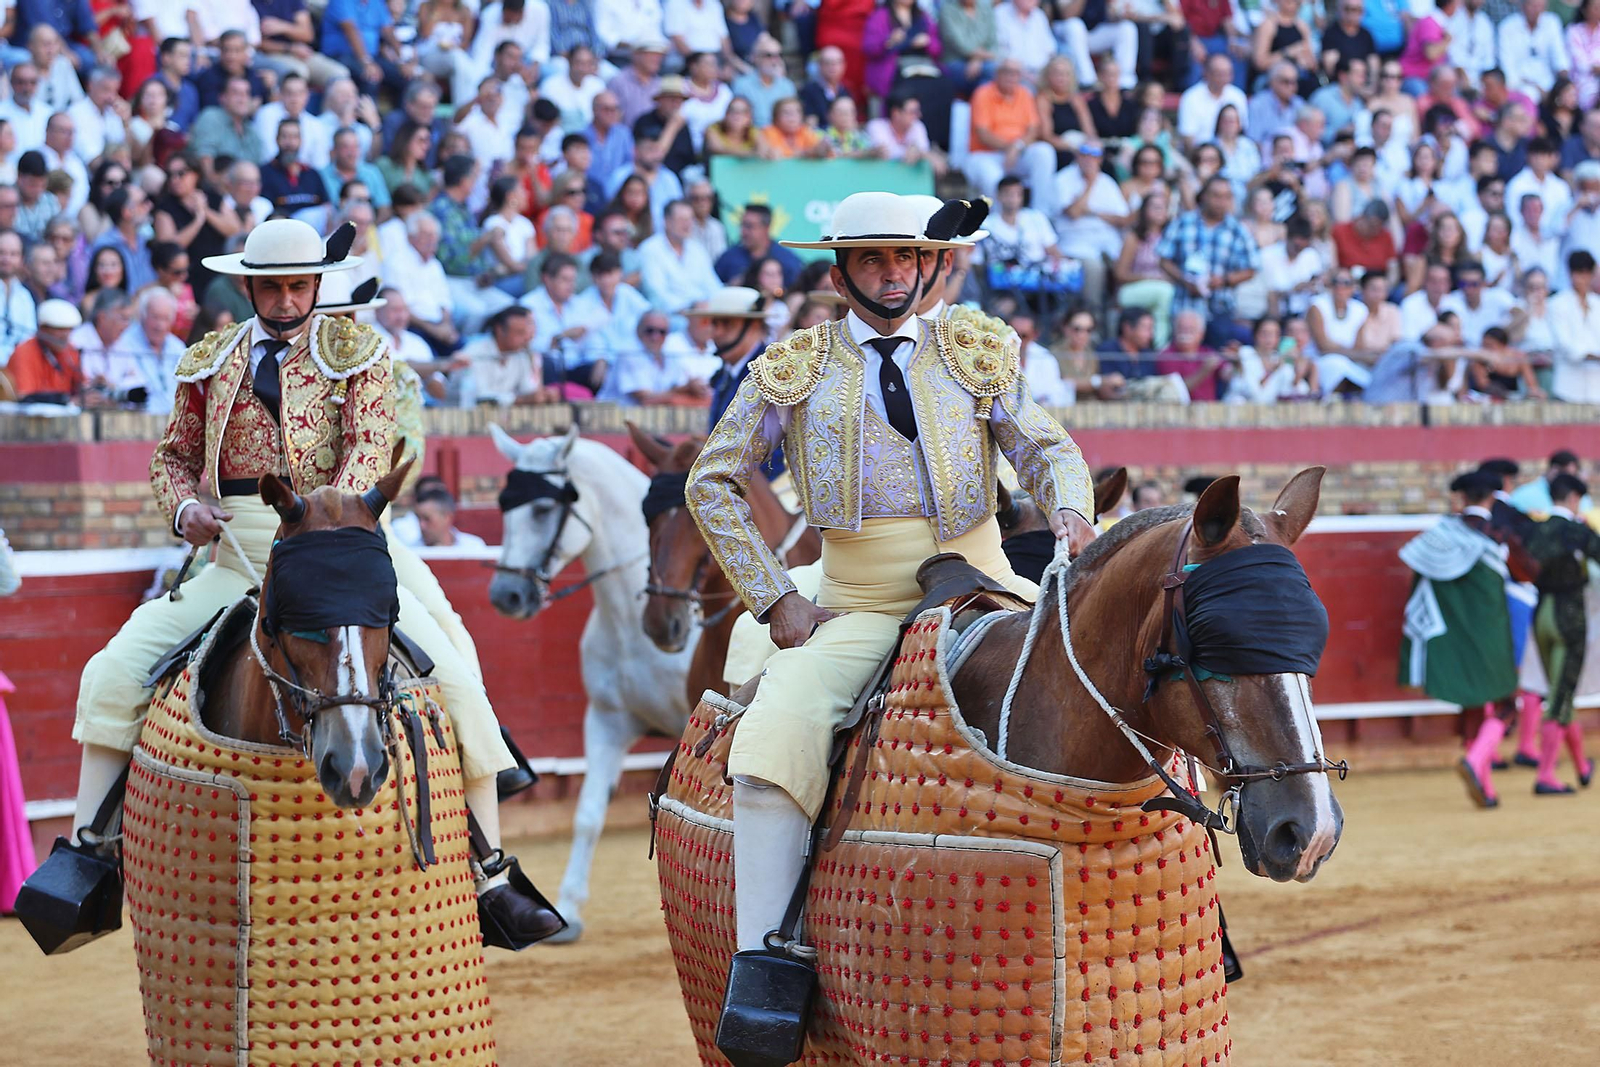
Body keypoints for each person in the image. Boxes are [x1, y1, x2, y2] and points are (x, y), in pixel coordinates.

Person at [70, 218, 557, 943]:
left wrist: (324, 521)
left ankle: (489, 871)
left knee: (454, 672)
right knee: (110, 672)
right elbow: (171, 456)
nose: (289, 299)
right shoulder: (208, 360)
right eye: (275, 286)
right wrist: (186, 509)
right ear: (248, 286)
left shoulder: (358, 351)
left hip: (346, 544)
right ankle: (89, 860)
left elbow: (369, 446)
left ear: (318, 285)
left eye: (301, 285)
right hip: (238, 550)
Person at [686, 193, 1093, 999]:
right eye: (873, 257)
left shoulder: (974, 348)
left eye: (907, 256)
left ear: (932, 263)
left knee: (1108, 675)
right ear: (841, 272)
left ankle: (1182, 896)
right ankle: (763, 967)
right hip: (859, 604)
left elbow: (1045, 447)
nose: (893, 272)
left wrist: (1073, 514)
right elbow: (712, 480)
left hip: (983, 587)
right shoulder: (793, 366)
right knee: (776, 740)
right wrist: (778, 600)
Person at [1399, 471, 1525, 808]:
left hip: (1456, 636)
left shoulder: (1438, 535)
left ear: (1461, 497)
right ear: (1492, 498)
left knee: (1472, 708)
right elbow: (1523, 577)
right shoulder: (1498, 535)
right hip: (1491, 635)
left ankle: (1485, 788)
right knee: (1505, 705)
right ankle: (1475, 762)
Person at [1524, 473, 1600, 794]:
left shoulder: (1534, 530)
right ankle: (1545, 775)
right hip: (1568, 617)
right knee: (1560, 694)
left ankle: (1582, 766)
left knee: (1558, 691)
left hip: (1540, 614)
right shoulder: (1577, 530)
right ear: (1573, 498)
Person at [1158, 175, 1259, 347]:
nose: (1222, 202)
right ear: (1204, 196)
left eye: (1227, 196)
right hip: (1184, 302)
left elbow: (1251, 268)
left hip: (1220, 306)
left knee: (1217, 357)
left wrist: (1224, 281)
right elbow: (1163, 259)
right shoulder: (1183, 222)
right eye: (1216, 196)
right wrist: (1184, 279)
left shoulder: (1238, 230)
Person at [964, 59, 1059, 216]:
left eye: (1016, 73)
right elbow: (983, 134)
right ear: (997, 74)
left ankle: (1040, 214)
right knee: (992, 177)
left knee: (1044, 152)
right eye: (1007, 72)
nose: (1011, 77)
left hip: (1017, 152)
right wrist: (1011, 147)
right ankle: (999, 221)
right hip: (986, 155)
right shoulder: (983, 93)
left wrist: (1017, 146)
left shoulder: (1024, 94)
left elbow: (1034, 128)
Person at [603, 308, 710, 404]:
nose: (656, 337)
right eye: (650, 330)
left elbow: (676, 387)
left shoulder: (669, 356)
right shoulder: (629, 354)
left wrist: (693, 387)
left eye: (662, 332)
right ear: (638, 330)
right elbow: (646, 399)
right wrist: (686, 388)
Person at [639, 198, 720, 318]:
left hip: (703, 315)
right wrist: (690, 308)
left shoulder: (697, 249)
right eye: (681, 220)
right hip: (669, 317)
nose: (687, 224)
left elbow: (713, 286)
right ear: (666, 222)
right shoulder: (650, 249)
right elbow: (656, 294)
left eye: (690, 219)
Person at [5, 298, 83, 401]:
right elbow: (24, 397)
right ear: (43, 329)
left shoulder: (70, 351)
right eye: (59, 329)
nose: (65, 336)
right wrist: (67, 401)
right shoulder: (24, 352)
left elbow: (81, 386)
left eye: (69, 330)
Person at [1549, 250, 1600, 402]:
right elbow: (1564, 344)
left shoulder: (1597, 304)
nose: (1581, 279)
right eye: (1578, 273)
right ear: (1570, 274)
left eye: (1586, 274)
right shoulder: (1557, 304)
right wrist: (1593, 356)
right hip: (1568, 386)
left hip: (1596, 387)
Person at [715, 203, 803, 289]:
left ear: (766, 228)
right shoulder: (729, 258)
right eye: (742, 225)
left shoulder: (787, 260)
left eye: (749, 226)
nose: (743, 232)